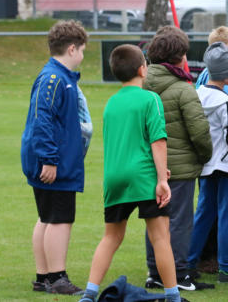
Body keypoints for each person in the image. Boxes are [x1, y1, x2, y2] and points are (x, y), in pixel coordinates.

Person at [78, 44, 181, 302]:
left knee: (111, 237)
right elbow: (157, 141)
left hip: (114, 177)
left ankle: (89, 294)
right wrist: (161, 179)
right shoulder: (150, 99)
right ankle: (173, 296)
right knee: (160, 236)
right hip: (144, 176)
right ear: (142, 69)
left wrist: (158, 168)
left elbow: (125, 142)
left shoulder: (111, 103)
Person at [143, 26, 213, 292]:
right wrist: (203, 156)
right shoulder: (184, 89)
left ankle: (155, 271)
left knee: (155, 220)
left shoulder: (142, 84)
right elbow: (200, 132)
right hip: (180, 169)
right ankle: (179, 273)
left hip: (148, 166)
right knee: (180, 221)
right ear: (180, 57)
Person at [21, 20, 88, 295]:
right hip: (54, 163)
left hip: (55, 160)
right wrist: (49, 158)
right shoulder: (54, 78)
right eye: (82, 50)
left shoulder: (59, 77)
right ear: (72, 48)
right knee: (60, 219)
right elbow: (42, 119)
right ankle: (57, 277)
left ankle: (43, 276)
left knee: (47, 217)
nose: (83, 55)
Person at [189, 42, 228, 283]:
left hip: (204, 165)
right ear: (226, 73)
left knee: (203, 213)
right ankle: (226, 267)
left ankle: (188, 260)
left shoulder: (197, 94)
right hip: (227, 166)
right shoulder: (227, 101)